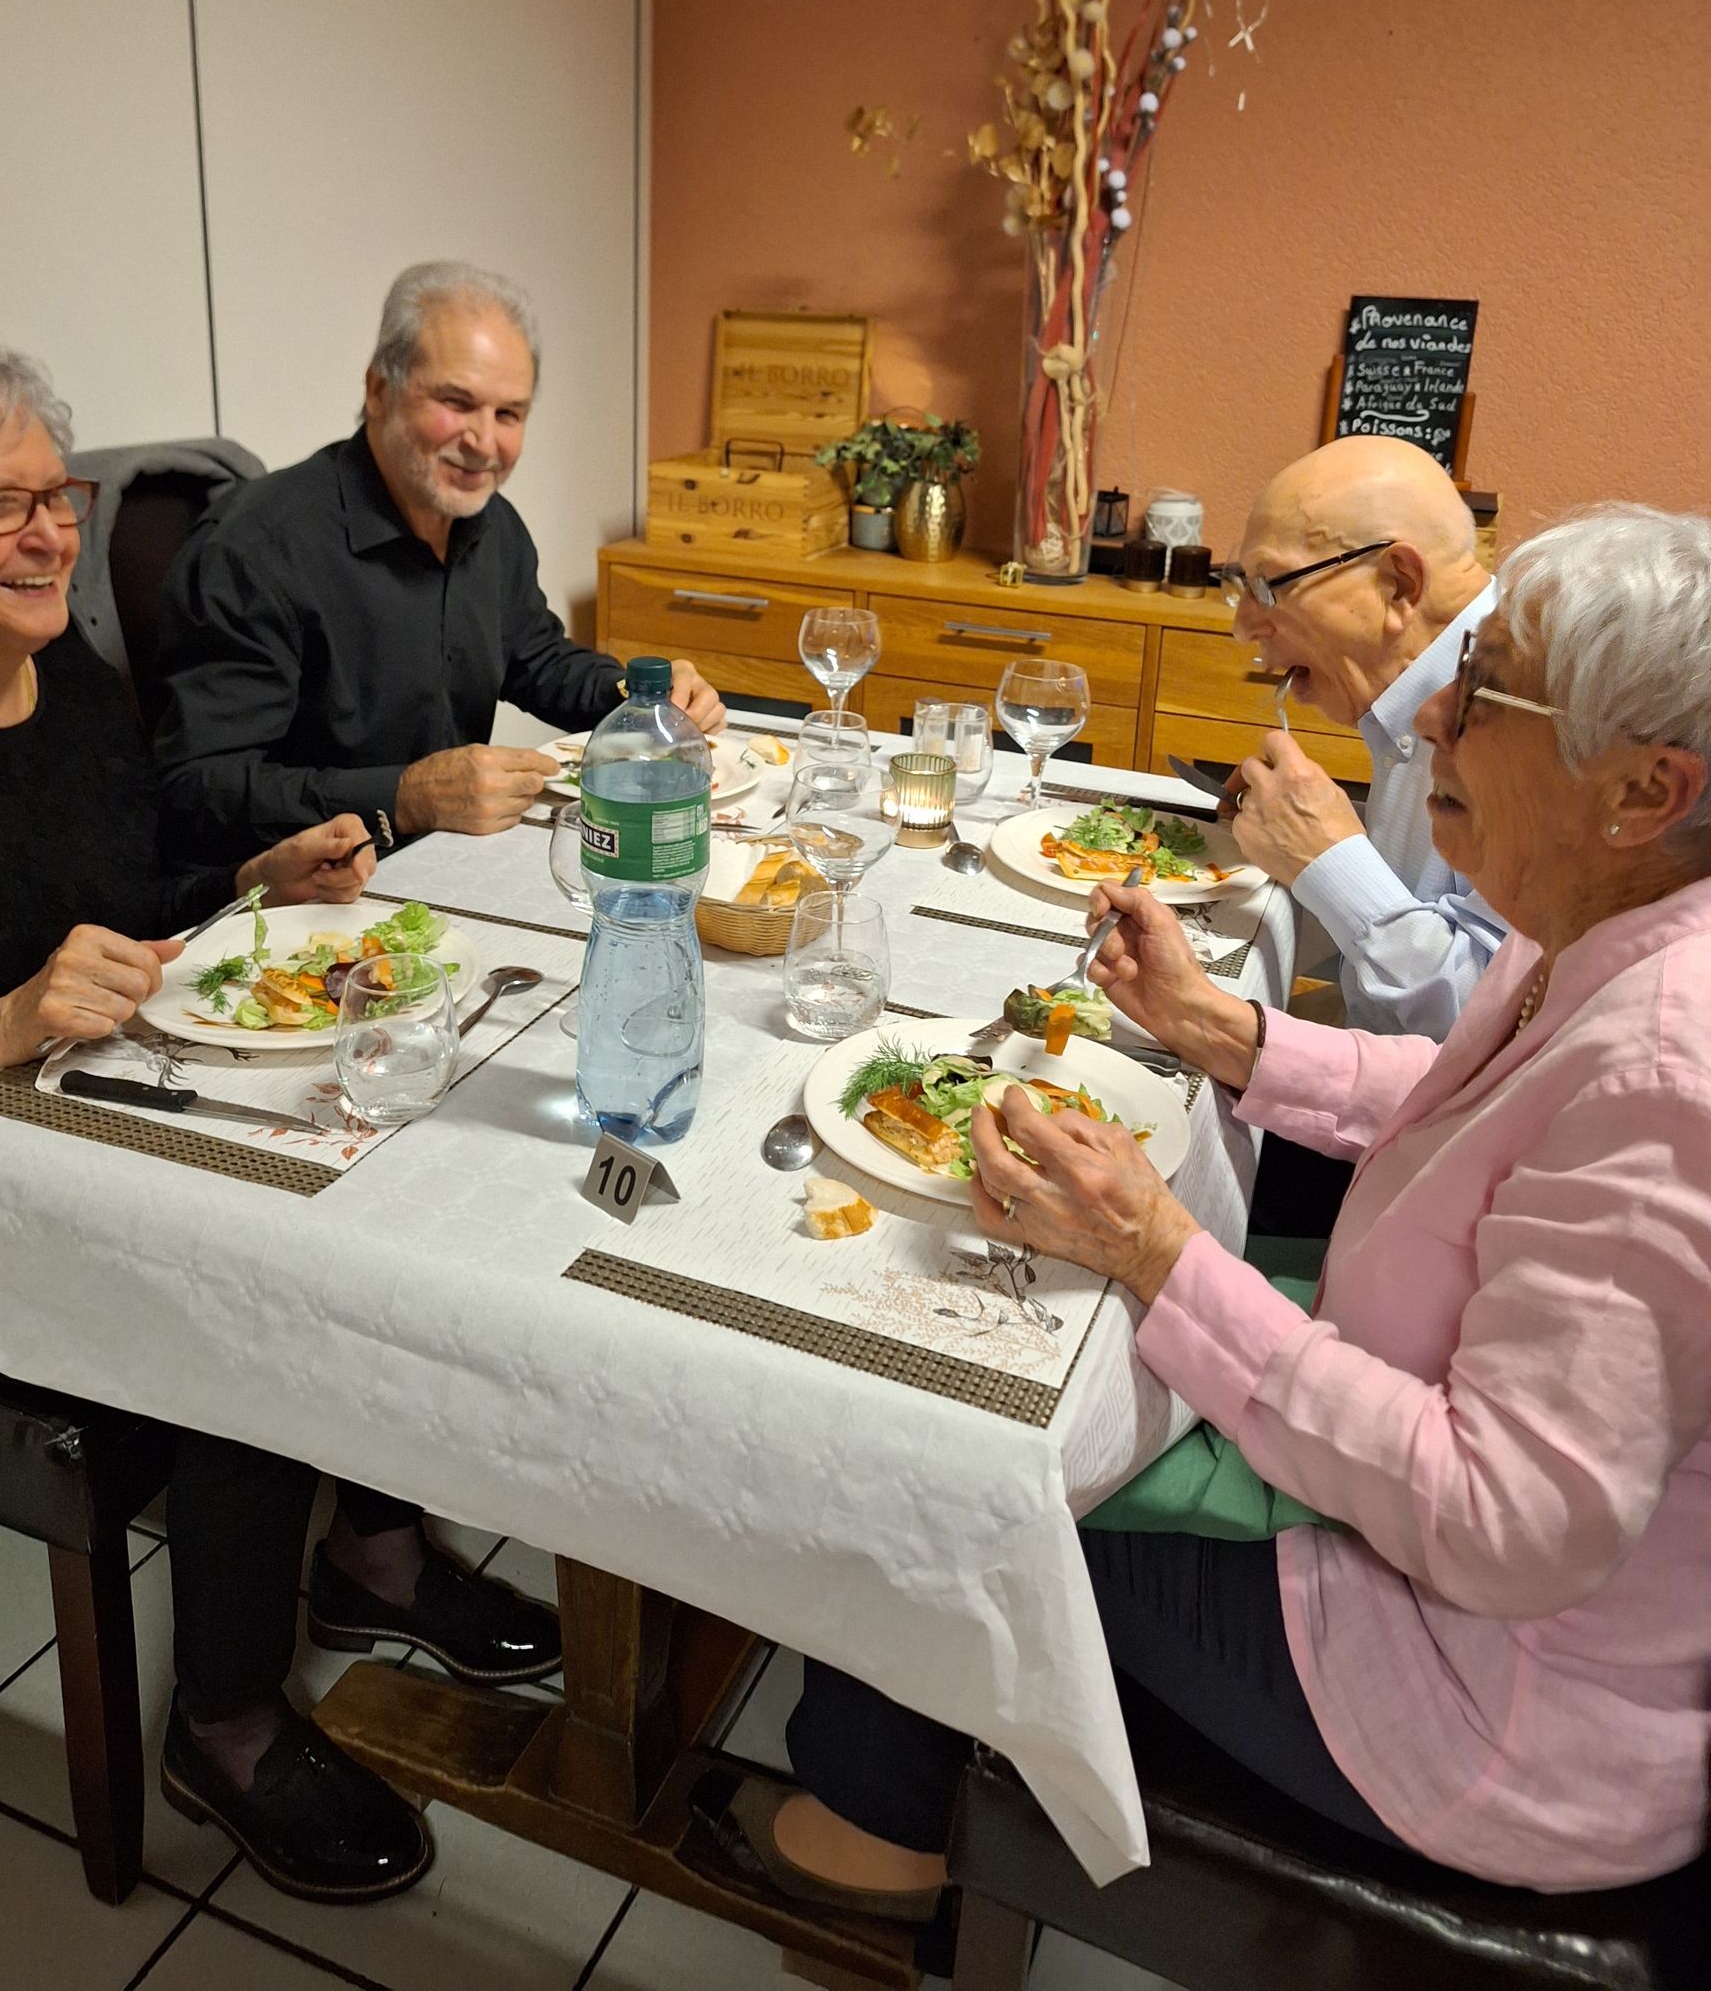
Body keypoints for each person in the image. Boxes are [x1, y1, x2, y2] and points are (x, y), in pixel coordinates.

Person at [691, 504, 1711, 1910]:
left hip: (1486, 1700)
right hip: (1444, 1564)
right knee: (1009, 1365)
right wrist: (1221, 1029)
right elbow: (1467, 1091)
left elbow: (1502, 1520)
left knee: (926, 1485)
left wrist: (1157, 1250)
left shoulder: (1675, 1068)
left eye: (1484, 696)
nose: (1430, 729)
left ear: (1646, 791)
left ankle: (872, 1845)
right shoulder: (1608, 922)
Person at [0, 329, 560, 1904]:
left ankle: (373, 1556)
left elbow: (120, 906)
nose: (53, 536)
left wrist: (240, 888)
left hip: (59, 1116)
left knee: (380, 1145)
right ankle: (222, 1718)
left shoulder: (54, 677)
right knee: (248, 1280)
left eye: (53, 497)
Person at [156, 262, 725, 861]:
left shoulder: (491, 524)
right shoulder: (255, 551)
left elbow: (535, 657)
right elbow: (196, 793)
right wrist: (403, 797)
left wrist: (642, 701)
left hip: (443, 863)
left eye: (508, 414)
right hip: (298, 903)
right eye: (457, 403)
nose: (485, 443)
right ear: (379, 392)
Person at [1218, 435, 1503, 1038]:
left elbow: (1491, 1029)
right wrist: (1299, 847)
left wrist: (1329, 857)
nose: (1242, 626)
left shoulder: (1526, 708)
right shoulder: (1409, 691)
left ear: (1398, 585)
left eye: (1269, 587)